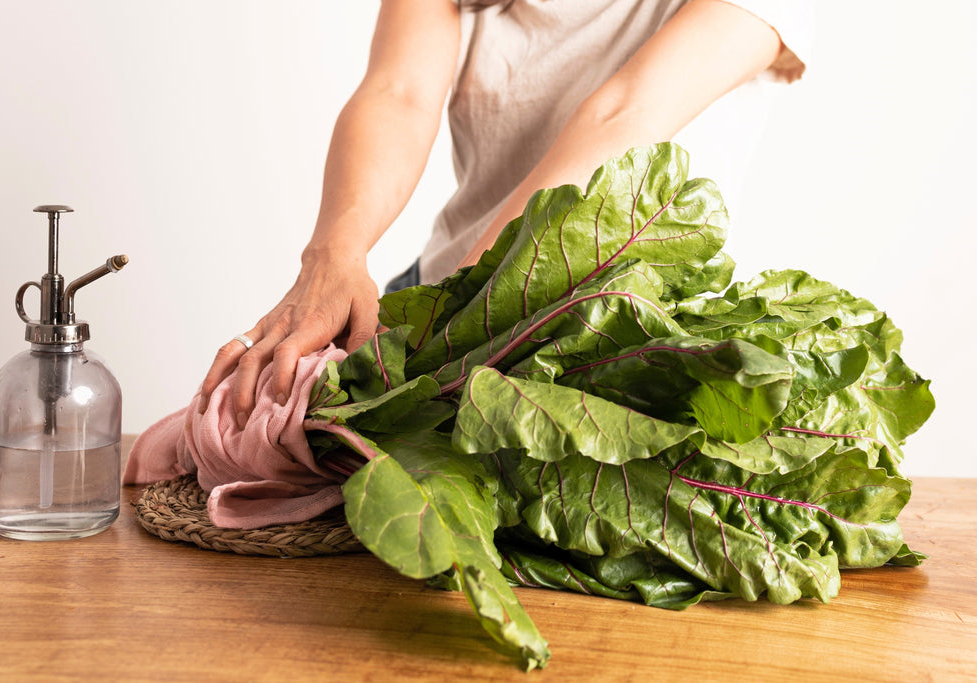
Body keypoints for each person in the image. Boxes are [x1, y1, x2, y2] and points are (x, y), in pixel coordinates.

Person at [197, 0, 809, 427]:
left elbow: (623, 116)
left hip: (611, 345)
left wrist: (456, 314)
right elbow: (397, 94)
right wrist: (332, 258)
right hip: (432, 309)